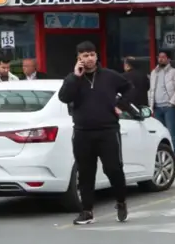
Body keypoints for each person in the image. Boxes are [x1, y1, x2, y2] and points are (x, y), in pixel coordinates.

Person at [57, 41, 136, 225]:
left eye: (92, 54)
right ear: (79, 58)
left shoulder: (109, 76)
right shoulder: (73, 78)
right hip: (82, 132)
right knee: (85, 172)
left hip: (108, 130)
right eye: (85, 55)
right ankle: (87, 211)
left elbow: (130, 88)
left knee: (113, 169)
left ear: (96, 56)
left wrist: (121, 105)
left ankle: (121, 201)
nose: (89, 58)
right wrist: (75, 77)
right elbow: (64, 97)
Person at [147, 50, 175, 162]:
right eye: (159, 57)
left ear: (168, 59)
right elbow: (151, 90)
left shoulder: (173, 72)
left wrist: (172, 102)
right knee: (160, 133)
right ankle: (163, 154)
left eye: (163, 57)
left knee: (171, 130)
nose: (161, 59)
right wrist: (151, 105)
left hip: (168, 107)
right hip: (157, 107)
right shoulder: (154, 73)